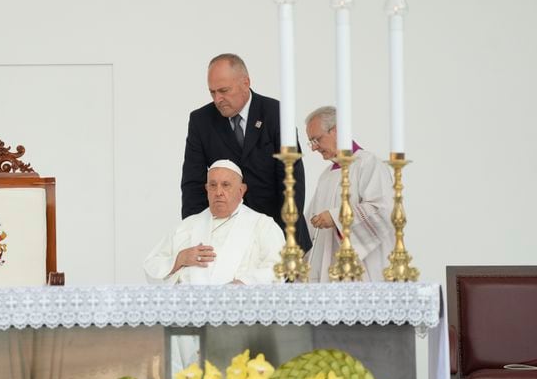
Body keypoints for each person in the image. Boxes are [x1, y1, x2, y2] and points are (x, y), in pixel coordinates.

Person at [181, 53, 310, 251]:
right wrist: (193, 237)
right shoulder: (201, 121)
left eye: (224, 90)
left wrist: (281, 238)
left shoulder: (276, 113)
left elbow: (291, 182)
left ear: (245, 82)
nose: (218, 99)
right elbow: (193, 186)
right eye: (212, 92)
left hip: (280, 233)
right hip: (225, 241)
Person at [145, 159, 285, 284]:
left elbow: (280, 267)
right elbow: (151, 266)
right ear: (206, 189)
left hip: (239, 307)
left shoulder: (262, 225)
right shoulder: (188, 225)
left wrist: (243, 284)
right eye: (213, 185)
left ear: (241, 190)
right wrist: (178, 260)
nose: (218, 192)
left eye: (225, 185)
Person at [303, 106, 396, 282]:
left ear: (337, 131)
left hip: (365, 271)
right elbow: (309, 225)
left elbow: (384, 211)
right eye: (311, 142)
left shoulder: (368, 164)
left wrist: (337, 217)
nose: (314, 148)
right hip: (329, 272)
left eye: (317, 139)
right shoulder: (327, 175)